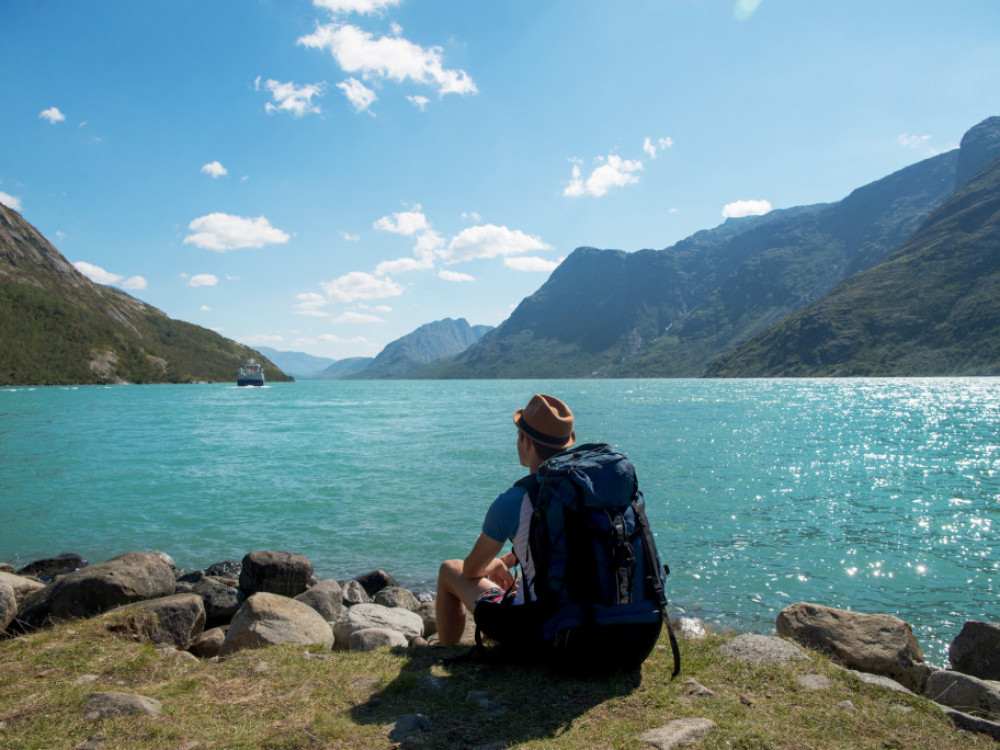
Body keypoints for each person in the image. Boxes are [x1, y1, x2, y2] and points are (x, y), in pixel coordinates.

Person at [435, 393, 575, 645]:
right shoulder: (589, 491)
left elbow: (471, 570)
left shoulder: (515, 500)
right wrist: (510, 559)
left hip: (545, 635)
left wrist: (493, 565)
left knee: (449, 570)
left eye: (518, 436)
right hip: (614, 633)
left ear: (527, 442)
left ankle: (445, 649)